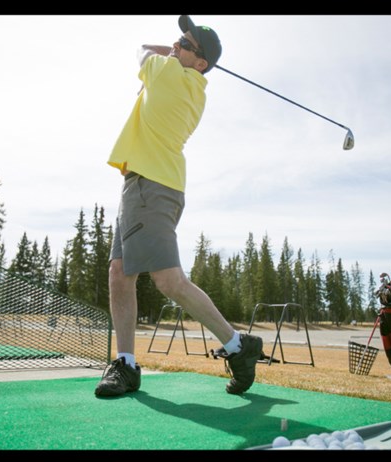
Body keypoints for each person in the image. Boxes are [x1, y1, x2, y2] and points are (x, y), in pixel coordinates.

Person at [95, 16, 264, 398]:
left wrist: (164, 49)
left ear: (200, 62)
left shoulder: (169, 75)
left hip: (151, 185)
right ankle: (126, 362)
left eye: (185, 45)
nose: (175, 46)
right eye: (177, 40)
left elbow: (140, 49)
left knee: (168, 280)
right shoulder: (191, 83)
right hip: (147, 183)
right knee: (119, 273)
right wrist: (178, 49)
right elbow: (159, 55)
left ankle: (238, 345)